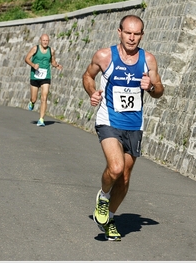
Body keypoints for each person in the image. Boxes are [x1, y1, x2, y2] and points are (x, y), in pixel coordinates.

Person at [82, 15, 164, 241]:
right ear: (119, 32)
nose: (132, 38)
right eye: (128, 32)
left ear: (142, 35)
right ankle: (104, 195)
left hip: (134, 125)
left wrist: (152, 87)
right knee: (116, 168)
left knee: (125, 177)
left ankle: (108, 219)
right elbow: (88, 76)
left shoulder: (148, 60)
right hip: (108, 120)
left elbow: (159, 91)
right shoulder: (104, 56)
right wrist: (92, 92)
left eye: (136, 34)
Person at [25, 34, 62, 127]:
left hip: (46, 76)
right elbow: (26, 59)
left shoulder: (51, 50)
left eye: (47, 40)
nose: (45, 42)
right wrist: (33, 65)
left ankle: (41, 119)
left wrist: (56, 65)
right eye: (43, 40)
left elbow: (52, 62)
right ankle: (32, 102)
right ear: (40, 40)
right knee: (34, 98)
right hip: (35, 76)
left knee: (44, 97)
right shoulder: (35, 49)